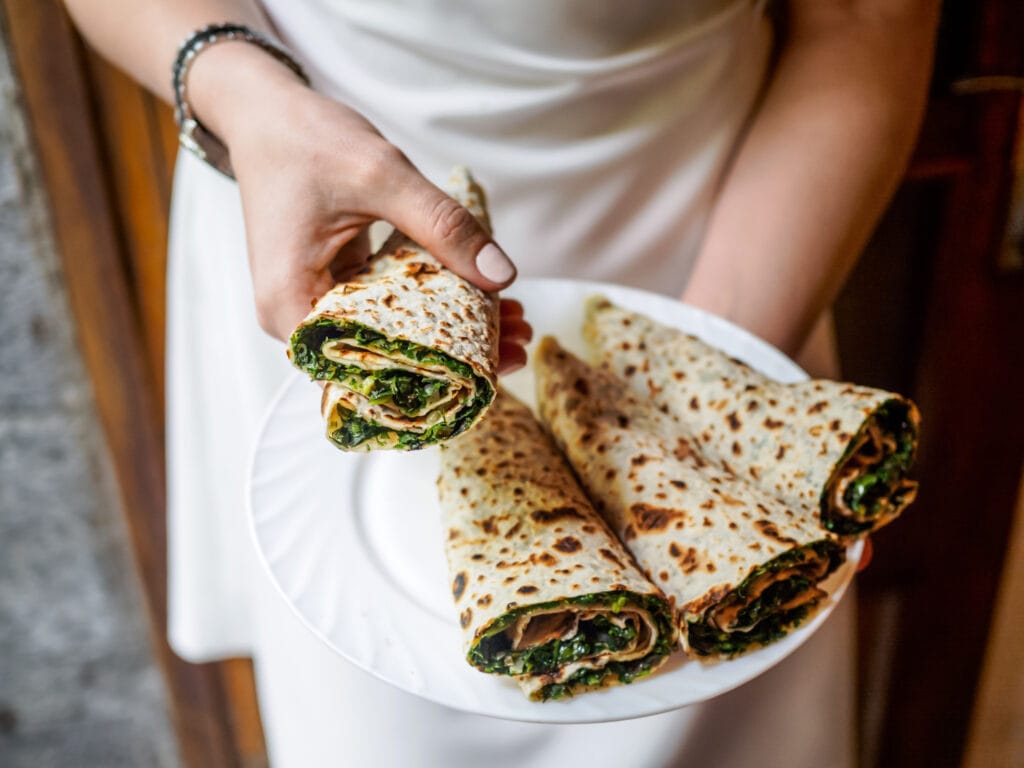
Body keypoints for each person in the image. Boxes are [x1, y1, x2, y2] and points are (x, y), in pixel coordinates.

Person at [63, 1, 940, 765]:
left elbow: (867, 18)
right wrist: (239, 91)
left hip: (718, 254)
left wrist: (683, 416)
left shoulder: (706, 331)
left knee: (704, 702)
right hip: (317, 236)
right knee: (379, 689)